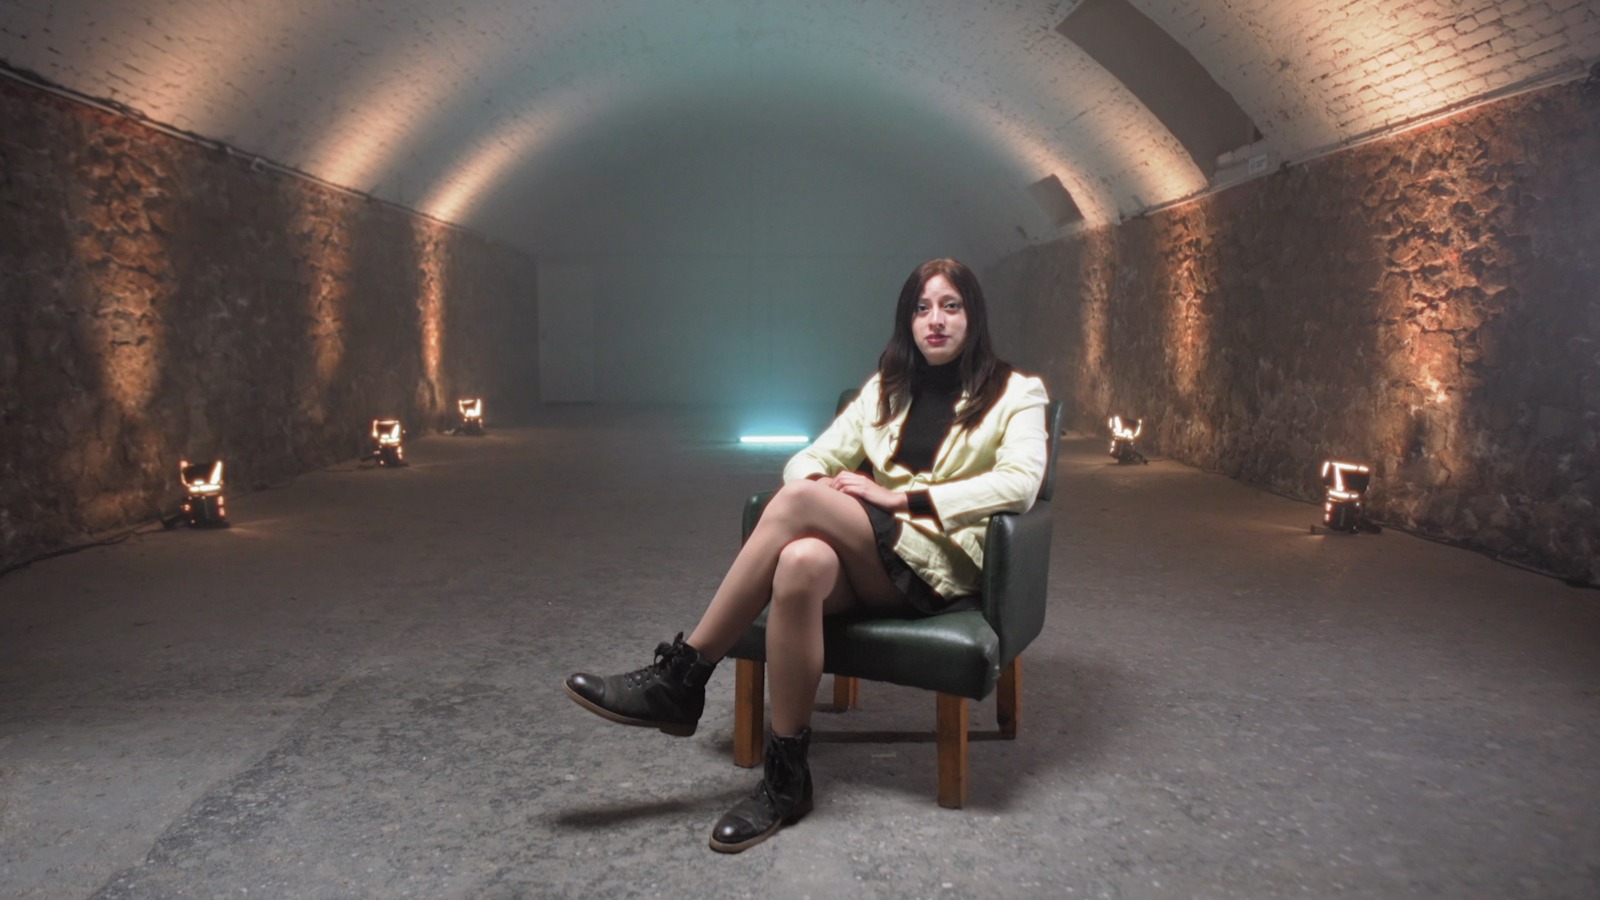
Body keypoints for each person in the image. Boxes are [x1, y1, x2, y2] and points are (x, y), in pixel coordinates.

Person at [565, 258, 1050, 853]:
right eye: (922, 309)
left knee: (797, 503)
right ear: (908, 321)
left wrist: (897, 498)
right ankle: (787, 779)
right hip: (876, 557)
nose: (936, 321)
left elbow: (1020, 485)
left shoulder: (1016, 392)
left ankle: (683, 676)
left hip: (940, 565)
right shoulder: (886, 389)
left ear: (973, 316)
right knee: (799, 562)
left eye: (951, 306)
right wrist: (828, 492)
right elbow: (808, 459)